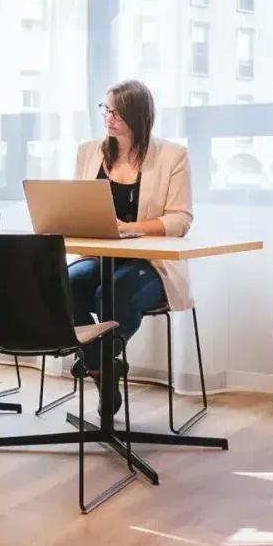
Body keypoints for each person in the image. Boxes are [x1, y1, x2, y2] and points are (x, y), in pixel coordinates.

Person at [69, 79, 193, 414]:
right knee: (62, 284)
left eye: (117, 113)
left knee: (112, 293)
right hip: (99, 254)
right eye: (105, 110)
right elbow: (76, 204)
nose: (108, 118)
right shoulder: (89, 151)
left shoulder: (172, 156)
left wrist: (129, 228)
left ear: (138, 117)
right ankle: (102, 368)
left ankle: (94, 360)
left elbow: (180, 220)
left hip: (150, 261)